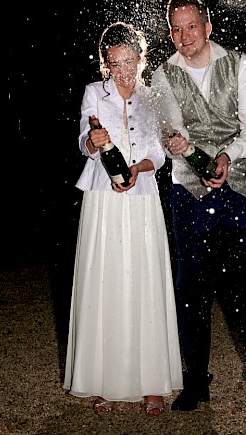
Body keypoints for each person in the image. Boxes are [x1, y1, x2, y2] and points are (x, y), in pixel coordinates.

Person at [151, 0, 246, 412]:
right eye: (176, 29)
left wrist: (227, 158)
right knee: (191, 288)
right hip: (189, 194)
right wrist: (178, 144)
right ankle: (196, 382)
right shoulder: (163, 76)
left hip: (242, 190)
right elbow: (171, 131)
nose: (183, 36)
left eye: (191, 26)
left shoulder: (240, 65)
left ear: (207, 27)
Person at [64, 21, 184, 416]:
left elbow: (160, 152)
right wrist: (92, 142)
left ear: (141, 58)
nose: (122, 70)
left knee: (145, 283)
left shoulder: (154, 97)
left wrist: (138, 168)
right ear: (105, 65)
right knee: (108, 283)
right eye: (114, 63)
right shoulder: (93, 95)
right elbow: (85, 138)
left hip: (143, 195)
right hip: (104, 200)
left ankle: (151, 384)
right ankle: (108, 381)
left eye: (128, 61)